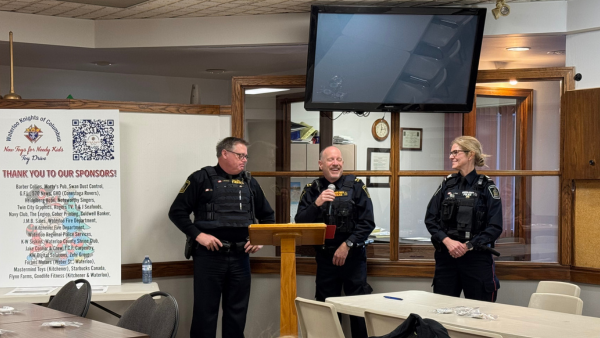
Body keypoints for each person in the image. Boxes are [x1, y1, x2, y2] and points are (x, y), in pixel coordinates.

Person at [168, 137, 275, 338]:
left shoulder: (249, 182)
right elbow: (177, 212)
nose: (244, 160)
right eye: (240, 155)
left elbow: (268, 215)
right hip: (209, 257)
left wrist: (261, 238)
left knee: (237, 313)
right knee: (205, 314)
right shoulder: (201, 178)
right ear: (224, 153)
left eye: (246, 156)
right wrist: (198, 236)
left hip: (240, 257)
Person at [295, 146, 375, 338]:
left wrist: (347, 245)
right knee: (326, 309)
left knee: (358, 309)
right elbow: (300, 222)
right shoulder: (312, 189)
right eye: (331, 160)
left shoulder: (356, 186)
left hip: (353, 257)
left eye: (339, 159)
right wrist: (317, 203)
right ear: (321, 164)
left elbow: (367, 222)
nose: (336, 163)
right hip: (325, 258)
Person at [425, 136, 502, 302]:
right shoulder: (448, 184)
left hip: (476, 260)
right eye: (451, 153)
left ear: (470, 154)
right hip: (447, 258)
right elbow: (430, 219)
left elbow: (495, 227)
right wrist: (448, 242)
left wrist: (467, 246)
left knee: (479, 313)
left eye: (455, 152)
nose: (451, 156)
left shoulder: (487, 187)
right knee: (442, 311)